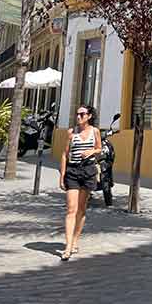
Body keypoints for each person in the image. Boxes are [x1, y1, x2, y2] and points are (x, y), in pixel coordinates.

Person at [59, 104, 102, 260]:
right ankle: (68, 246)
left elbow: (99, 148)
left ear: (89, 116)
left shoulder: (95, 131)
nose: (78, 117)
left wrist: (91, 151)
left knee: (81, 209)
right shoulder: (71, 132)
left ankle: (76, 240)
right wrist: (62, 174)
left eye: (82, 114)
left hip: (88, 171)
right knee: (71, 209)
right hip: (73, 171)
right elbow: (65, 154)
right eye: (77, 114)